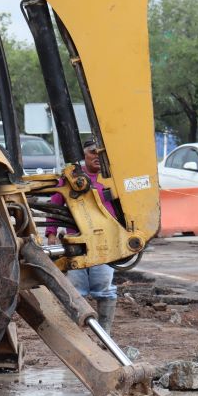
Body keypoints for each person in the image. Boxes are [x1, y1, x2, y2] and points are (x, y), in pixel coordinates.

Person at [46, 139, 119, 333]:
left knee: (104, 285)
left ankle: (105, 333)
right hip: (77, 241)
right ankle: (78, 333)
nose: (97, 156)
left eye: (100, 153)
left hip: (105, 241)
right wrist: (51, 233)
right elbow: (55, 206)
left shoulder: (111, 178)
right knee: (76, 288)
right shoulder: (71, 179)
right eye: (93, 152)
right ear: (84, 155)